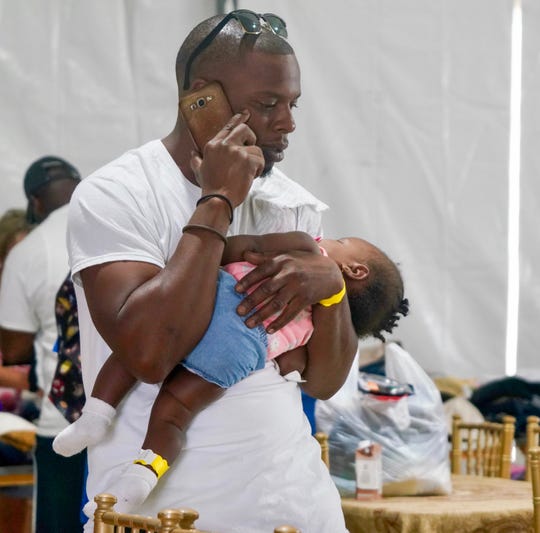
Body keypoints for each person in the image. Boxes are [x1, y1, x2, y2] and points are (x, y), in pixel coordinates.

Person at [68, 10, 364, 532]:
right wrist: (219, 198)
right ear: (202, 98)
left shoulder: (291, 205)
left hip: (297, 509)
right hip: (163, 516)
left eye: (292, 104)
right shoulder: (116, 193)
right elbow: (150, 352)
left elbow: (323, 381)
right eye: (268, 104)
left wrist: (334, 292)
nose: (288, 122)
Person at [53, 231, 408, 511]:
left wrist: (197, 264)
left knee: (132, 354)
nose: (331, 238)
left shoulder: (306, 248)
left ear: (355, 270)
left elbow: (249, 249)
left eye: (342, 241)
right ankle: (145, 472)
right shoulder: (319, 328)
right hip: (235, 355)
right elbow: (291, 364)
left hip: (206, 305)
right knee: (174, 414)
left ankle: (95, 416)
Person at [0, 157, 86, 532]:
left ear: (35, 203)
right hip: (135, 412)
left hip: (66, 418)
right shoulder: (123, 222)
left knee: (60, 522)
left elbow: (15, 349)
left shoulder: (29, 251)